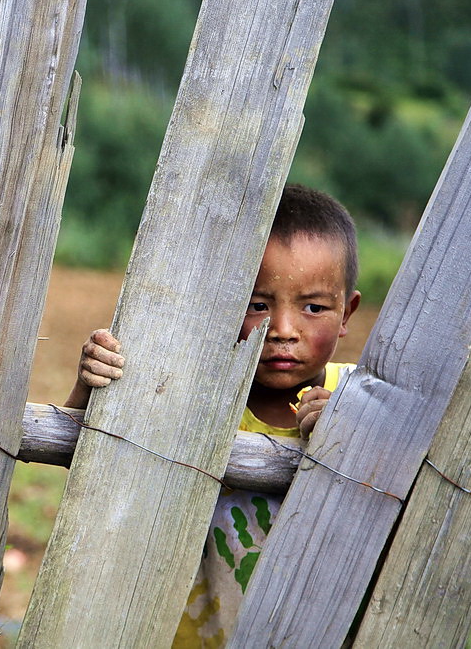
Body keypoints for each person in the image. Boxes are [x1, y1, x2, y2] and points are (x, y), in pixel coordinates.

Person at [67, 183, 360, 647]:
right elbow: (86, 451)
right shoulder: (189, 399)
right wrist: (91, 386)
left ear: (348, 311)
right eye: (257, 305)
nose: (283, 330)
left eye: (313, 307)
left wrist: (355, 437)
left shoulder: (362, 402)